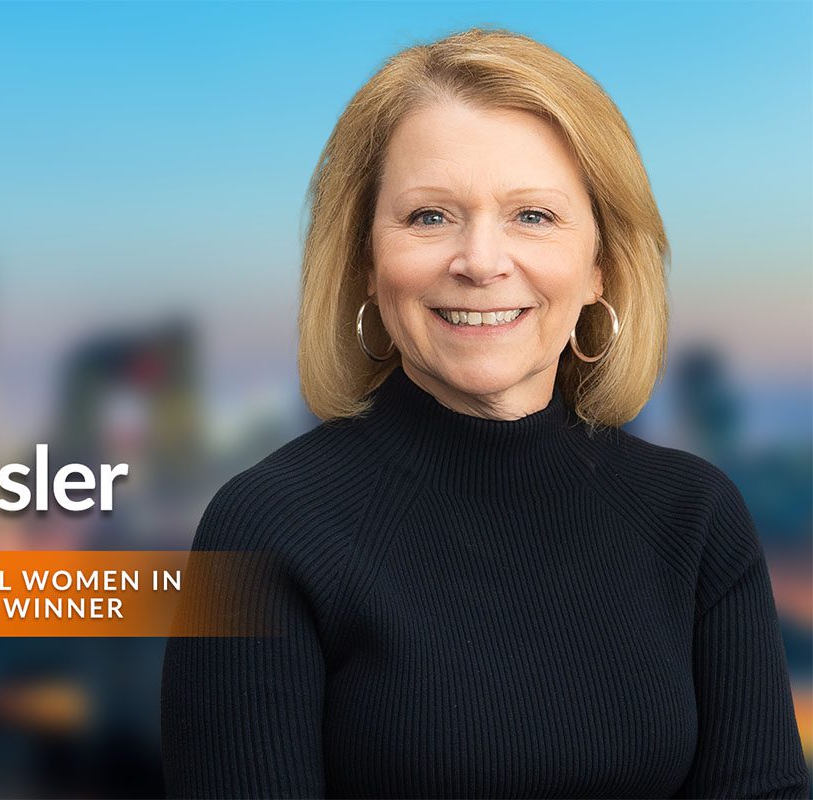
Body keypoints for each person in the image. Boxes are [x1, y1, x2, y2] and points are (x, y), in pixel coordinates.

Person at [159, 26, 809, 799]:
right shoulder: (263, 530)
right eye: (430, 216)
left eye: (533, 215)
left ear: (600, 266)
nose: (481, 260)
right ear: (367, 262)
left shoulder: (696, 519)